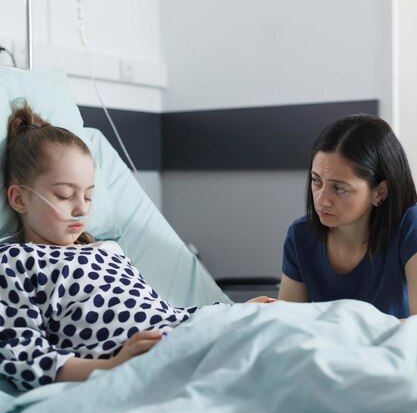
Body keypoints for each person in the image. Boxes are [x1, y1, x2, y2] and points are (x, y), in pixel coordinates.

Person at [0, 102, 271, 392]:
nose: (81, 209)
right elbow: (21, 355)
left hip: (187, 335)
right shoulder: (15, 261)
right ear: (18, 199)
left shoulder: (108, 251)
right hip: (142, 361)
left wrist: (230, 313)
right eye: (65, 195)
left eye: (89, 197)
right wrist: (113, 366)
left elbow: (164, 313)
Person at [278, 113, 417, 319]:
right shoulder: (300, 235)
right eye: (316, 181)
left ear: (379, 192)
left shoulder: (410, 226)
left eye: (340, 188)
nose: (321, 200)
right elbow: (284, 325)